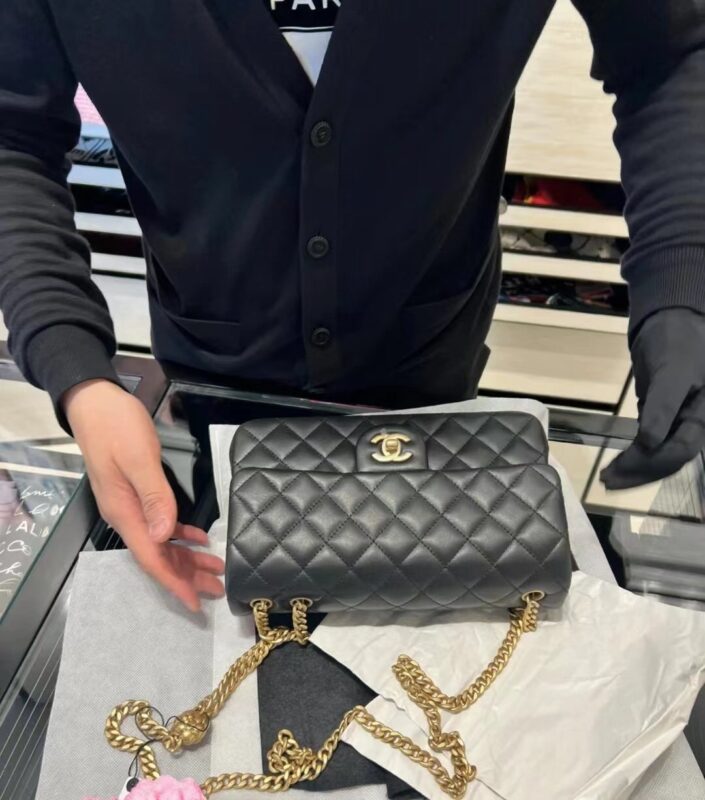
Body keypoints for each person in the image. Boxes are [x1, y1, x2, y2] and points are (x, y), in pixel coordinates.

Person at [1, 2, 703, 612]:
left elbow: (669, 53)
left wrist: (680, 281)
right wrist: (76, 370)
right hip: (206, 382)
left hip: (431, 362)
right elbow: (13, 132)